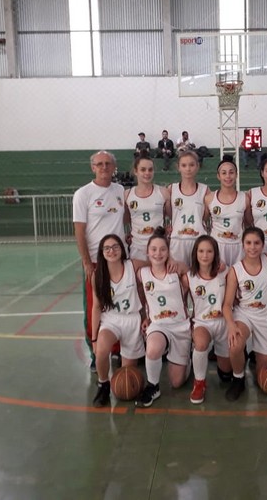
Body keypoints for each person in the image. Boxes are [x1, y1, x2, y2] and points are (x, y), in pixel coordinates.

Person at [73, 151, 127, 372]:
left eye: (108, 164)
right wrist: (87, 262)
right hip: (96, 261)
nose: (104, 167)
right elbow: (79, 231)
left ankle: (117, 348)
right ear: (92, 167)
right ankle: (95, 351)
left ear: (114, 167)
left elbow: (125, 220)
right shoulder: (83, 194)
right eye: (100, 164)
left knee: (120, 305)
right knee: (94, 307)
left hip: (119, 260)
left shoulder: (120, 191)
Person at [222, 227, 267, 401]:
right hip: (244, 315)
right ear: (243, 245)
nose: (252, 247)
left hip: (265, 317)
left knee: (265, 376)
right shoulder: (236, 270)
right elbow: (227, 305)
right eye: (248, 243)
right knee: (235, 344)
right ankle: (238, 378)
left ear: (263, 245)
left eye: (256, 243)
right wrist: (231, 325)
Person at [136, 228, 192, 408]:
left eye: (162, 249)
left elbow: (194, 279)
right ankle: (153, 386)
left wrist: (174, 261)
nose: (158, 253)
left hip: (181, 327)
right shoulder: (142, 273)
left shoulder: (178, 269)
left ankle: (188, 358)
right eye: (153, 249)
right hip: (159, 326)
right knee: (152, 350)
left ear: (168, 252)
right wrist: (145, 316)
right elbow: (140, 293)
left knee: (177, 383)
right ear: (147, 251)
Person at [90, 234, 147, 408]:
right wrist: (94, 338)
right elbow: (96, 307)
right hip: (111, 320)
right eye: (107, 248)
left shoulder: (133, 265)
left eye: (115, 247)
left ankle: (127, 384)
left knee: (127, 374)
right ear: (102, 252)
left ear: (122, 249)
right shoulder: (97, 275)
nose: (112, 251)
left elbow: (155, 265)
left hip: (132, 320)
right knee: (101, 351)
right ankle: (103, 385)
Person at [186, 235, 232, 404]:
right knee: (200, 344)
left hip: (223, 323)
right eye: (201, 251)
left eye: (209, 251)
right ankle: (199, 382)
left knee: (226, 375)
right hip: (202, 323)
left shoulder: (225, 272)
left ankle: (228, 361)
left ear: (215, 253)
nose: (205, 255)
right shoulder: (189, 276)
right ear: (195, 253)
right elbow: (178, 300)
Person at [125, 156, 171, 261]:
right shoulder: (127, 194)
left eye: (150, 169)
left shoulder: (163, 192)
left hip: (158, 247)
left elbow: (171, 217)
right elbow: (126, 220)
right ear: (135, 171)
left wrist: (168, 229)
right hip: (137, 246)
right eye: (143, 169)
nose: (147, 173)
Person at [168, 151, 208, 267]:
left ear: (197, 166)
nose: (188, 169)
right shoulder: (171, 189)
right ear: (178, 167)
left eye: (191, 165)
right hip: (177, 240)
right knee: (178, 274)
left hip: (198, 240)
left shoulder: (205, 190)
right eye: (184, 165)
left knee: (199, 274)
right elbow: (168, 213)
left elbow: (206, 216)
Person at [205, 156, 245, 267]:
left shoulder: (245, 198)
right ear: (218, 176)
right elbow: (203, 222)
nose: (228, 176)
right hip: (217, 245)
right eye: (224, 173)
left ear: (236, 175)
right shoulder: (209, 198)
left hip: (238, 246)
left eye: (231, 172)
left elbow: (248, 223)